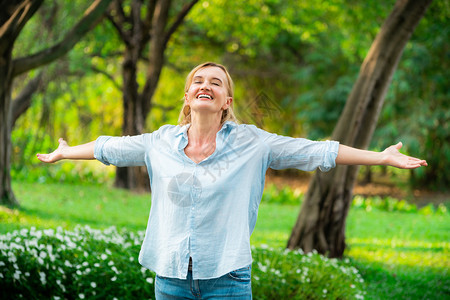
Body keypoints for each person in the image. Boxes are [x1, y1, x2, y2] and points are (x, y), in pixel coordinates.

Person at [37, 62, 427, 299]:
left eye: (216, 82)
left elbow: (317, 151)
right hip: (169, 278)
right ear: (188, 97)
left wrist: (380, 157)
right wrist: (65, 151)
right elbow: (109, 148)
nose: (206, 85)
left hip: (227, 278)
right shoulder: (159, 142)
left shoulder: (252, 143)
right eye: (198, 81)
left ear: (226, 102)